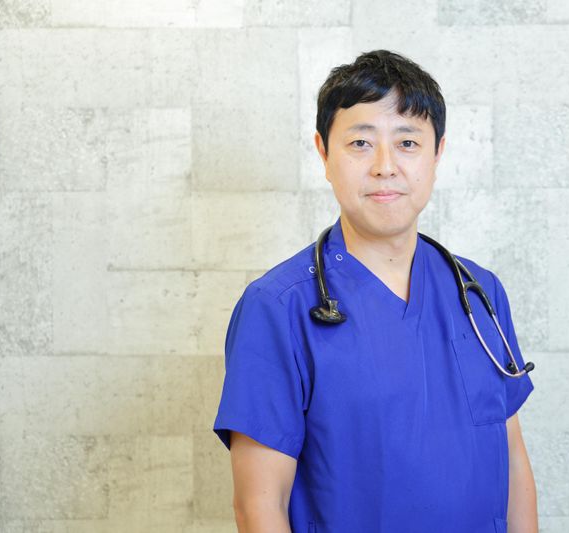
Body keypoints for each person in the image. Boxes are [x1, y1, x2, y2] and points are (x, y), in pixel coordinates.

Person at [213, 49, 537, 533]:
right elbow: (259, 507)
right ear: (324, 154)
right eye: (361, 143)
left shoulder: (479, 293)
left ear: (437, 154)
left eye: (407, 143)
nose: (386, 166)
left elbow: (512, 459)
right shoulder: (278, 309)